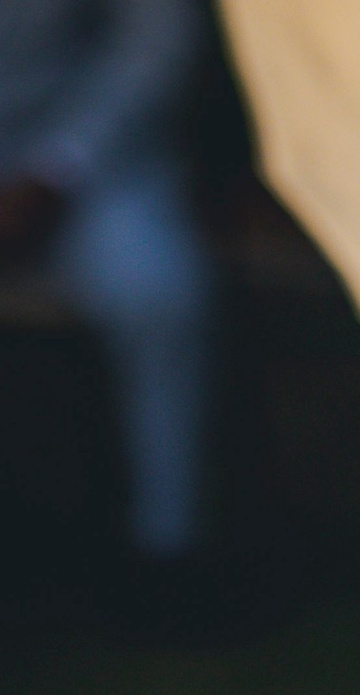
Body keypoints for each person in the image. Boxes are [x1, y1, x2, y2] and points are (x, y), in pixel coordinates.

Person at [0, 0, 211, 564]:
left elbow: (152, 48)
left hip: (91, 158)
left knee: (156, 294)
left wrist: (52, 171)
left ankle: (165, 543)